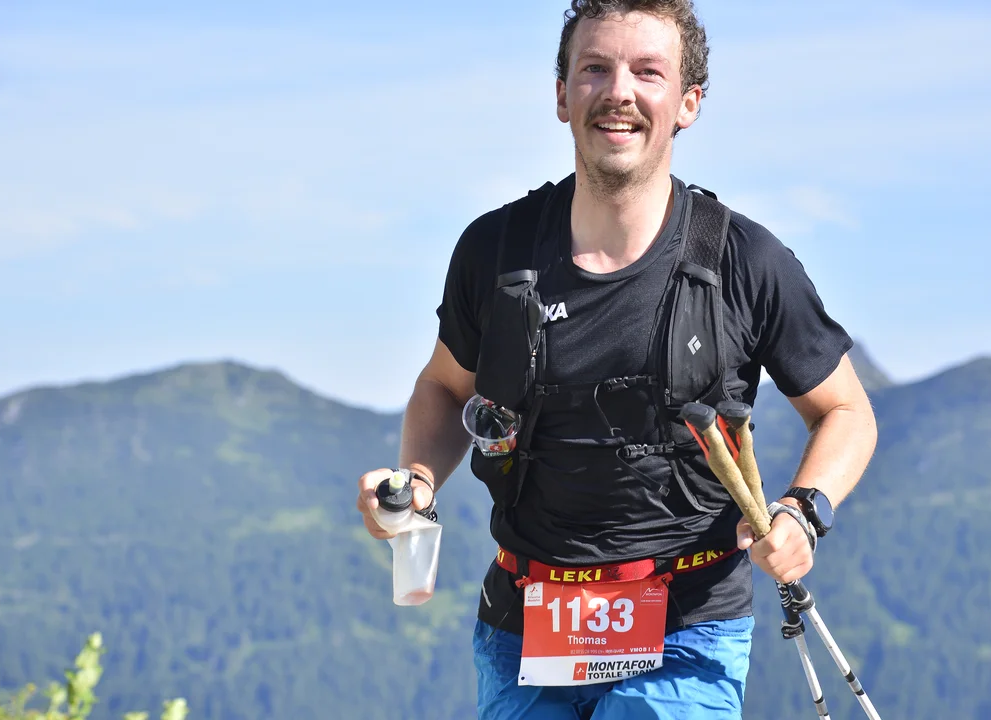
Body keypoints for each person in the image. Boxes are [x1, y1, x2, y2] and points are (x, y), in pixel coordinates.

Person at [357, 1, 878, 717]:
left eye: (647, 73)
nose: (618, 92)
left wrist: (801, 510)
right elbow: (444, 390)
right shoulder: (495, 251)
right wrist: (415, 480)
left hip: (687, 628)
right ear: (561, 94)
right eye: (594, 69)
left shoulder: (743, 261)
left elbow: (845, 411)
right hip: (522, 625)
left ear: (688, 103)